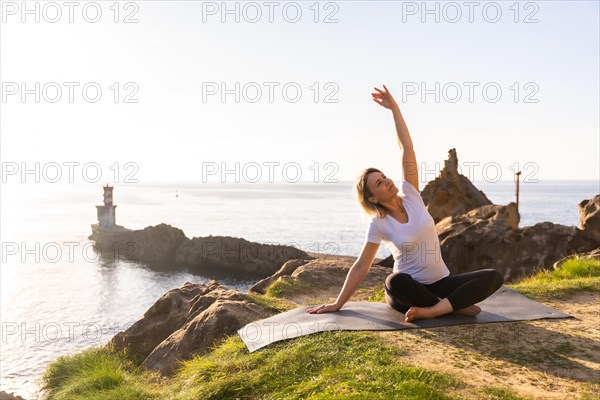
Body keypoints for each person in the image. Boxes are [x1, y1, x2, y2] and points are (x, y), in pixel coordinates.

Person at [306, 84, 504, 322]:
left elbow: (406, 148)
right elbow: (361, 266)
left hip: (441, 283)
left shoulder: (411, 196)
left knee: (493, 276)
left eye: (384, 177)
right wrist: (338, 303)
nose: (386, 181)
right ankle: (452, 306)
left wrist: (394, 109)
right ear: (372, 198)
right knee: (394, 281)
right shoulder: (378, 223)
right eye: (378, 183)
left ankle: (436, 309)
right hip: (409, 290)